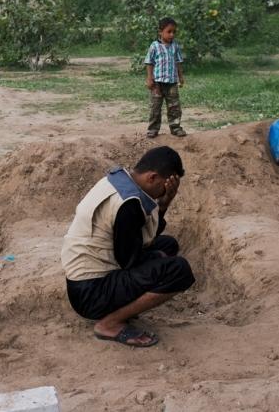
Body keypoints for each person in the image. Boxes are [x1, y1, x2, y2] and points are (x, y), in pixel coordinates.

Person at [61, 146, 195, 348]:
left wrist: (164, 203)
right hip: (91, 294)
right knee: (179, 271)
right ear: (152, 177)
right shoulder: (129, 204)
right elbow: (128, 261)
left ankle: (120, 309)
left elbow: (135, 240)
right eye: (164, 187)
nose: (164, 192)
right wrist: (156, 258)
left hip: (86, 281)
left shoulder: (118, 179)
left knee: (168, 245)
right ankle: (110, 323)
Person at [144, 17, 187, 139]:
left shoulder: (175, 46)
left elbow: (178, 62)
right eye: (169, 31)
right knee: (155, 107)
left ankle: (176, 127)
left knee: (174, 106)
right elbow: (149, 62)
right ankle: (153, 129)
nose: (172, 34)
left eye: (174, 32)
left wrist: (181, 77)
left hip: (172, 82)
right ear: (160, 32)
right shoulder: (154, 46)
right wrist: (149, 78)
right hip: (157, 83)